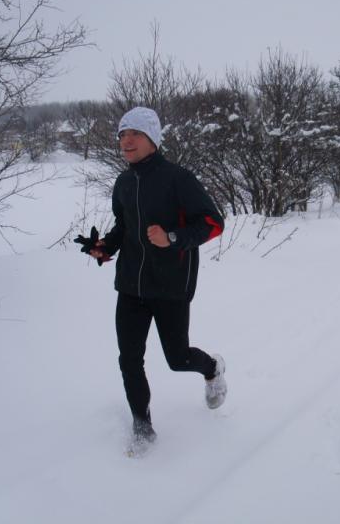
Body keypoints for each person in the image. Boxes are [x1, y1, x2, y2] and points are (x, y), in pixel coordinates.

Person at [75, 106, 227, 451]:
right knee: (129, 359)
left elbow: (213, 223)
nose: (126, 140)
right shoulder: (124, 182)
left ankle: (212, 368)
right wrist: (104, 247)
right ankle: (142, 427)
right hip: (131, 285)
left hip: (171, 285)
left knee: (178, 359)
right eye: (122, 134)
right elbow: (125, 227)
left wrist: (172, 237)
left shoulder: (178, 179)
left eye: (135, 134)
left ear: (152, 139)